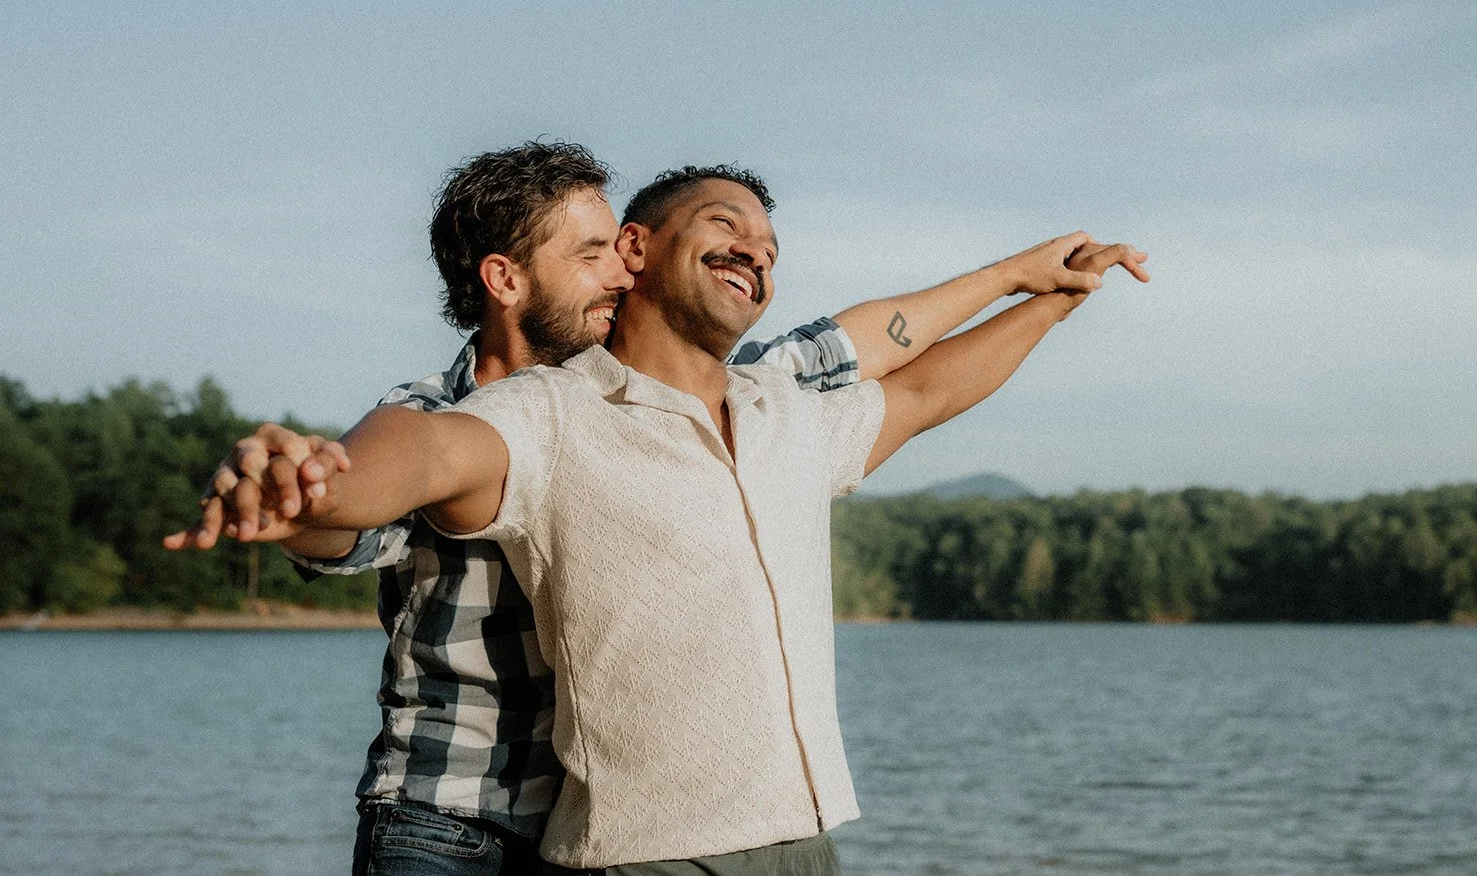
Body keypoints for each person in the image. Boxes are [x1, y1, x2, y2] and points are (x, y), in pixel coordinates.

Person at [167, 142, 1147, 875]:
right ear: (505, 279)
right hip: (453, 815)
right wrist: (297, 495)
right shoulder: (465, 415)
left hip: (594, 813)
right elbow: (365, 499)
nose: (624, 270)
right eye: (595, 254)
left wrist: (1029, 279)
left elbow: (849, 352)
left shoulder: (676, 396)